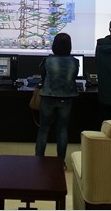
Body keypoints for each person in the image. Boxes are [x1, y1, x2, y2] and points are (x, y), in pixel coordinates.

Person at [35, 33, 79, 167]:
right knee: (62, 130)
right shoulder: (74, 61)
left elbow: (43, 77)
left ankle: (38, 161)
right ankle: (61, 163)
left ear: (54, 45)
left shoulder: (47, 61)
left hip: (48, 97)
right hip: (66, 98)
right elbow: (73, 77)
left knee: (43, 129)